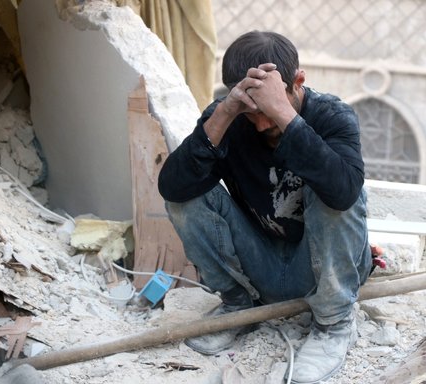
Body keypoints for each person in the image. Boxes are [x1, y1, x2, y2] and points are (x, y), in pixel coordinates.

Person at [158, 30, 372, 383]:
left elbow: (346, 193)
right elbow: (172, 187)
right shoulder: (228, 116)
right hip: (260, 266)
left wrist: (286, 118)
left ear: (298, 81)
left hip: (322, 268)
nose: (260, 123)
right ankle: (238, 307)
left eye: (268, 109)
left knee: (335, 188)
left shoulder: (333, 115)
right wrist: (227, 110)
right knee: (186, 196)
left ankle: (334, 323)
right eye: (250, 111)